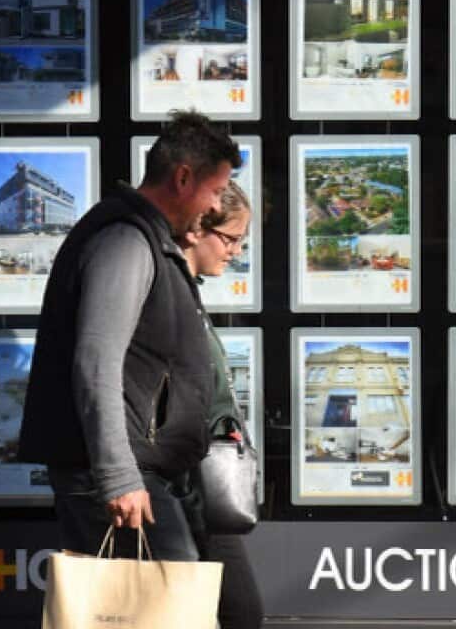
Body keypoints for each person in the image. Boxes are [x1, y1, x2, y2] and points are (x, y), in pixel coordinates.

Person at [17, 110, 241, 562]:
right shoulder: (126, 240)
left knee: (178, 596)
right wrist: (118, 475)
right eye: (216, 191)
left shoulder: (147, 237)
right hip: (123, 475)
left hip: (144, 469)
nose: (215, 206)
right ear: (183, 178)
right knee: (167, 597)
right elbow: (96, 362)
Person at [179, 180, 264, 629]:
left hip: (199, 483)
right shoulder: (170, 293)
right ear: (198, 229)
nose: (236, 251)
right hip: (184, 484)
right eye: (230, 238)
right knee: (240, 612)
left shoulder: (187, 293)